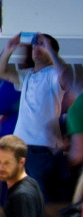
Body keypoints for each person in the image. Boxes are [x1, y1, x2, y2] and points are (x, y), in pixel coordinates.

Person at [0, 34, 70, 198]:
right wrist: (8, 49)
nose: (37, 48)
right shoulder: (27, 75)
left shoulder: (53, 74)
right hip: (19, 147)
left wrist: (50, 51)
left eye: (42, 45)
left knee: (39, 198)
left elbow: (66, 78)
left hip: (42, 147)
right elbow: (2, 72)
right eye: (35, 44)